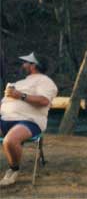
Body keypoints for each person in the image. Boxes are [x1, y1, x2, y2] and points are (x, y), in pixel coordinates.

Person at [0, 52, 58, 186]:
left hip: (28, 121)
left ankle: (13, 170)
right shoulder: (19, 83)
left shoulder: (45, 81)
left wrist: (20, 95)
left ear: (33, 65)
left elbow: (44, 101)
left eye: (25, 62)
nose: (22, 64)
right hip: (5, 118)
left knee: (10, 140)